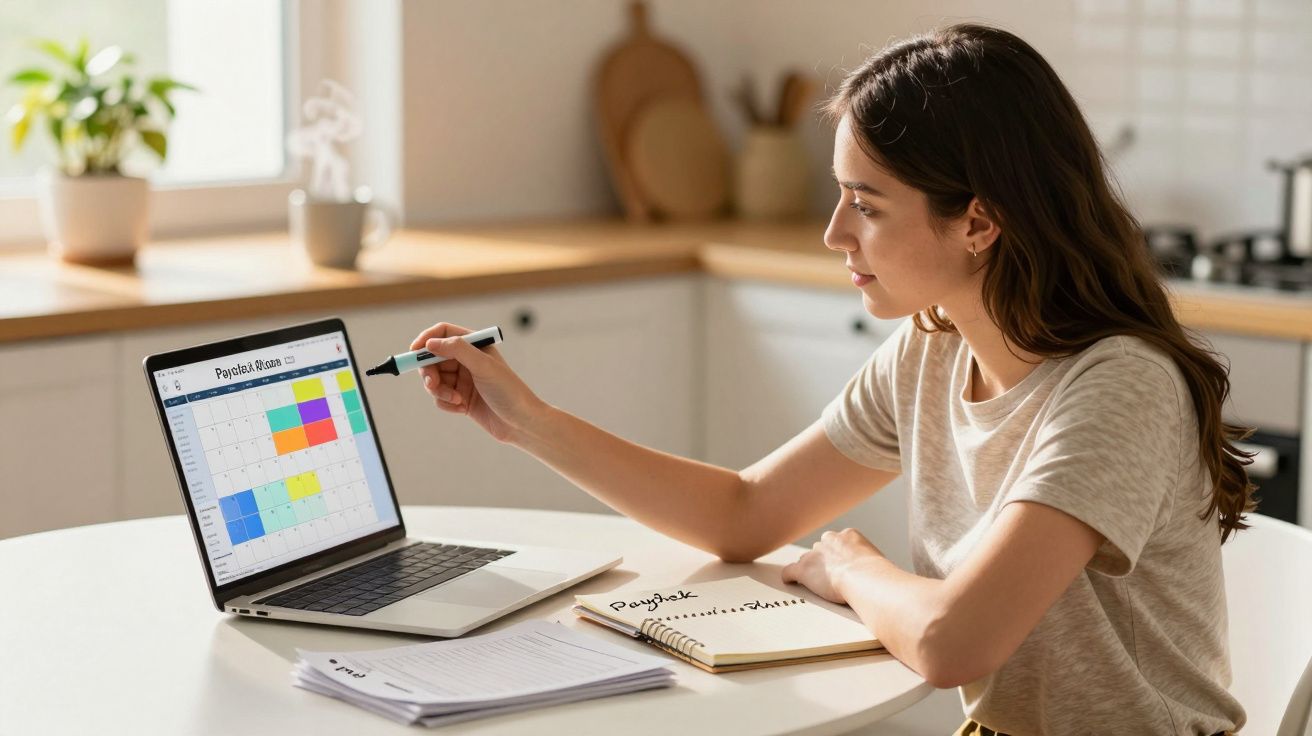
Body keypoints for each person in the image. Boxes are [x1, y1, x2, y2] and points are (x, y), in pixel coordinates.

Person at [408, 23, 1251, 736]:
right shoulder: (934, 350)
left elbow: (957, 642)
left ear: (979, 222)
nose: (834, 233)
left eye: (868, 205)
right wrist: (527, 420)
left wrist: (849, 567)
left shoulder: (1119, 385)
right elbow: (746, 513)